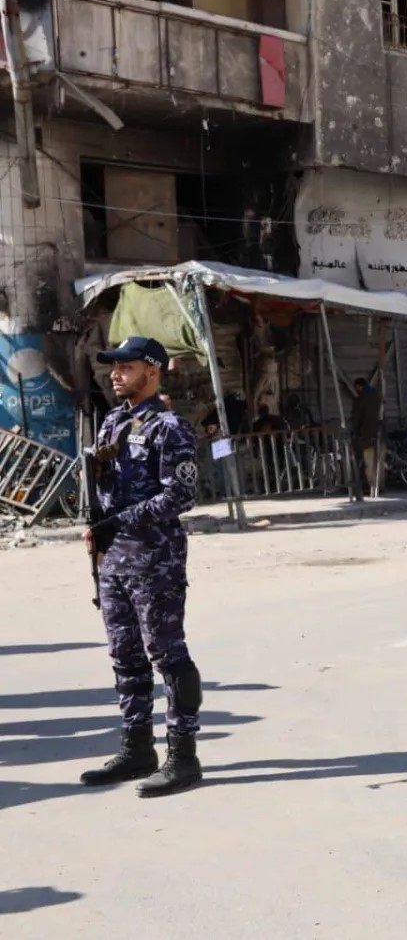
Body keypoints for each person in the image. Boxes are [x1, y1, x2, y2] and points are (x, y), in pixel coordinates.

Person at [79, 336, 205, 797]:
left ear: (151, 372)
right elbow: (101, 491)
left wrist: (120, 519)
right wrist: (94, 521)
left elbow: (181, 495)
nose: (115, 374)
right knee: (125, 655)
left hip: (155, 557)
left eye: (125, 367)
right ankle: (137, 748)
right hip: (113, 558)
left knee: (167, 655)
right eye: (113, 367)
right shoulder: (112, 421)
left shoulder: (170, 428)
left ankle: (183, 756)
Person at [350, 377, 382, 495]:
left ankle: (372, 486)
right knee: (378, 461)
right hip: (379, 432)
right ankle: (380, 484)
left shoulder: (362, 399)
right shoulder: (377, 395)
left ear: (359, 386)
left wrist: (353, 431)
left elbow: (357, 418)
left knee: (368, 462)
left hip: (367, 435)